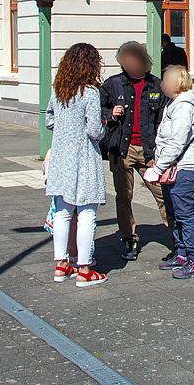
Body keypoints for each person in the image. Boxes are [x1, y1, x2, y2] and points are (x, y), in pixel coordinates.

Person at [44, 42, 109, 287]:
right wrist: (103, 126)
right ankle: (84, 268)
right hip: (83, 157)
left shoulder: (58, 90)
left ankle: (61, 265)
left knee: (62, 211)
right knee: (87, 213)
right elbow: (94, 130)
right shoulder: (90, 93)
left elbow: (49, 119)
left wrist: (63, 129)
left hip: (62, 157)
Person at [101, 41, 169, 261]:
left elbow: (163, 117)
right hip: (123, 148)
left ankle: (177, 238)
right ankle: (128, 239)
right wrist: (111, 113)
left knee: (163, 194)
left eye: (131, 61)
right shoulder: (113, 84)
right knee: (124, 196)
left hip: (149, 150)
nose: (127, 65)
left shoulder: (157, 85)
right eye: (124, 61)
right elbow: (98, 109)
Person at [144, 65, 194, 279]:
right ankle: (181, 254)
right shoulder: (173, 104)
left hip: (184, 167)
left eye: (165, 80)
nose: (161, 84)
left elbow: (178, 141)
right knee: (173, 211)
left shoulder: (184, 107)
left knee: (184, 211)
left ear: (176, 82)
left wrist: (158, 167)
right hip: (171, 167)